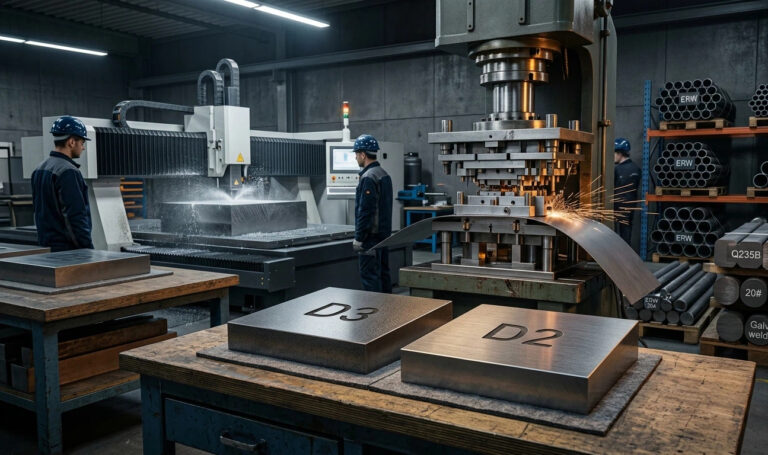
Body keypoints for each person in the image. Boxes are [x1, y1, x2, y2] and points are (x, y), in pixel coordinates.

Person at [31, 116, 94, 252]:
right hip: (68, 250)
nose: (83, 148)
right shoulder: (68, 171)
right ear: (71, 142)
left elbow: (38, 212)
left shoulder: (39, 169)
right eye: (82, 143)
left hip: (46, 246)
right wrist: (88, 249)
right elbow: (75, 216)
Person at [351, 134, 393, 293]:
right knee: (383, 274)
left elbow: (365, 211)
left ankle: (375, 313)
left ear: (363, 154)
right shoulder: (383, 173)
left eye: (356, 154)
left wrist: (359, 238)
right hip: (384, 235)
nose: (355, 157)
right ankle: (388, 311)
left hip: (370, 238)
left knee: (370, 277)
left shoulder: (368, 177)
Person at [614, 137, 640, 246]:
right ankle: (626, 257)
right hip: (631, 205)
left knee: (615, 233)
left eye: (614, 153)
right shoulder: (636, 168)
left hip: (617, 205)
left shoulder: (617, 169)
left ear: (620, 153)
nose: (613, 156)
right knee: (626, 231)